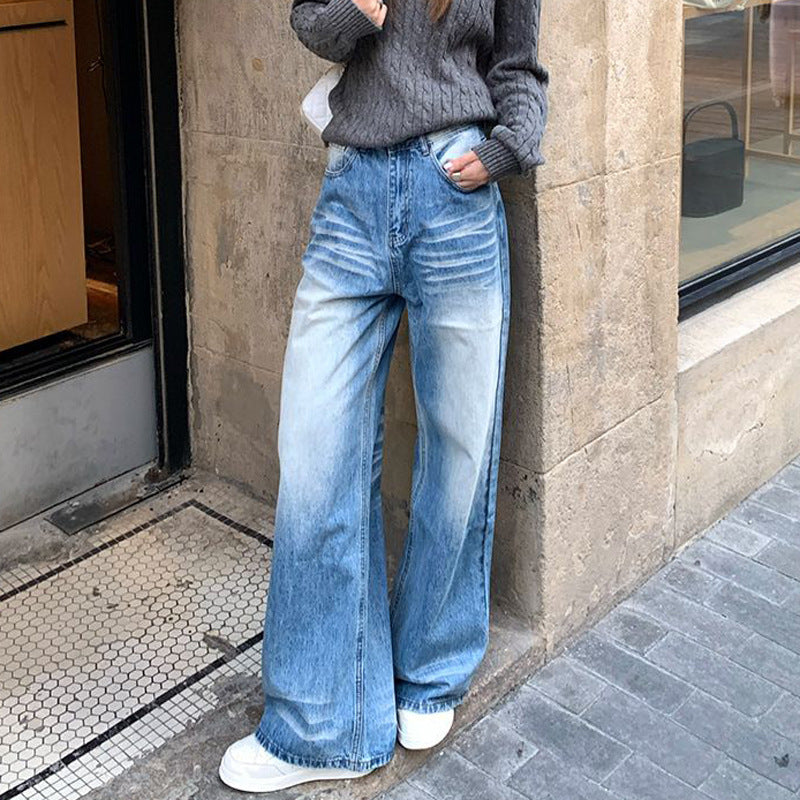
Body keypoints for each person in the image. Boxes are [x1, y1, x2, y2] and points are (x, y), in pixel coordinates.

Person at [218, 0, 549, 792]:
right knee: (315, 455)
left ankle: (431, 669)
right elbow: (312, 25)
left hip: (455, 194)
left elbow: (518, 66)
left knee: (459, 450)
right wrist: (360, 7)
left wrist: (509, 147)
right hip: (351, 196)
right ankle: (320, 726)